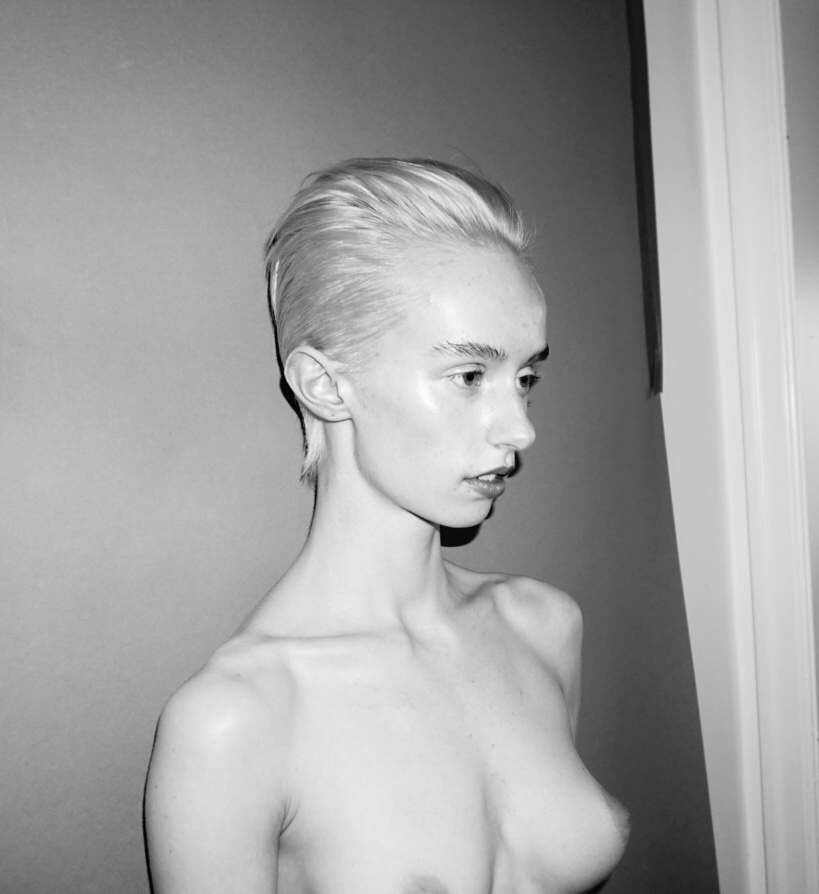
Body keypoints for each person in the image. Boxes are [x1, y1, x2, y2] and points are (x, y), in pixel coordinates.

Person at [145, 158, 630, 894]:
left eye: (525, 378)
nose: (520, 429)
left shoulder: (542, 625)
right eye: (469, 376)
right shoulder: (237, 722)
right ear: (325, 385)